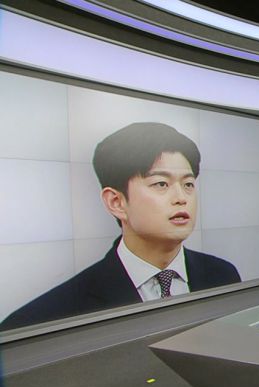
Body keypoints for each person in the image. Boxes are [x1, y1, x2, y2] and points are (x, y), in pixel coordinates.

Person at [1, 123, 240, 330]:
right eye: (161, 184)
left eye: (188, 184)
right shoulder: (47, 317)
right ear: (116, 202)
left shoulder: (223, 276)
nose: (181, 198)